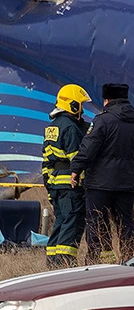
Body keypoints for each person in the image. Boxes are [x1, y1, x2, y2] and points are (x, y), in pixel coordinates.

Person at [70, 83, 134, 264]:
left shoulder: (102, 121)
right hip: (127, 182)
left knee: (96, 221)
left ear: (106, 100)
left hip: (100, 183)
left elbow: (88, 148)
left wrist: (76, 168)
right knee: (125, 222)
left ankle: (93, 261)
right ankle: (128, 259)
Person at [42, 84, 91, 267]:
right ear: (73, 105)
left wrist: (49, 188)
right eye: (80, 105)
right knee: (72, 225)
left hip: (55, 186)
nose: (82, 109)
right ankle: (65, 264)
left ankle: (52, 263)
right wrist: (85, 183)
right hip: (71, 186)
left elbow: (46, 161)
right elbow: (77, 160)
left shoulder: (51, 127)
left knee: (60, 224)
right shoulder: (70, 128)